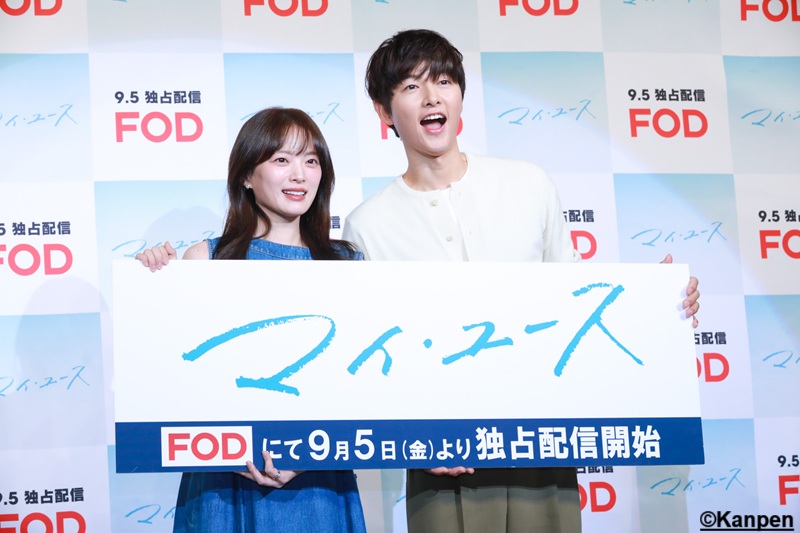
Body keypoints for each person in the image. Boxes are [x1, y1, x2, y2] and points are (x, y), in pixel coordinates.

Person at [343, 29, 701, 533]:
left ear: (460, 95)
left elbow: (576, 306)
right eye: (411, 87)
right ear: (384, 111)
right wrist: (415, 440)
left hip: (544, 444)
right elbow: (375, 355)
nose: (431, 97)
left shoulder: (528, 183)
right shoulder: (367, 225)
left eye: (443, 81)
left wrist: (655, 309)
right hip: (442, 461)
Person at [136, 107, 367, 533]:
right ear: (246, 174)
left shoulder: (346, 263)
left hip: (319, 482)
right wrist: (153, 282)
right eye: (281, 159)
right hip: (224, 482)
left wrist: (304, 457)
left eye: (311, 160)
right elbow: (180, 380)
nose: (299, 174)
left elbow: (359, 382)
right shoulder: (206, 259)